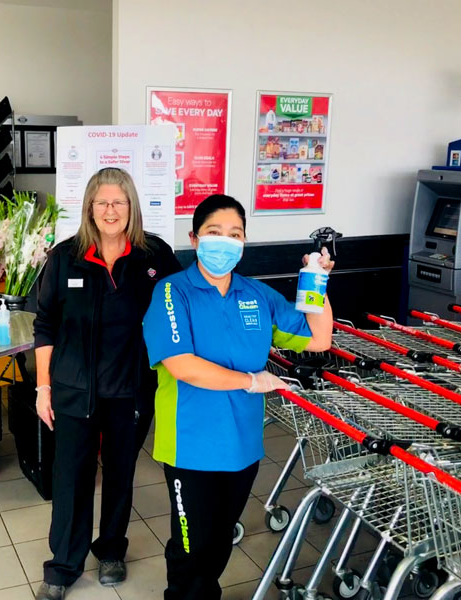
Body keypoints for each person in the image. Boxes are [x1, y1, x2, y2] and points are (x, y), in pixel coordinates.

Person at [142, 194, 334, 600]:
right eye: (214, 232)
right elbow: (182, 365)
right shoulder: (172, 292)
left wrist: (316, 280)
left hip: (242, 447)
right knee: (190, 549)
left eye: (235, 234)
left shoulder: (257, 295)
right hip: (189, 446)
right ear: (194, 239)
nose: (224, 241)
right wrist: (250, 381)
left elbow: (318, 337)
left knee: (216, 545)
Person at [33, 168, 181, 600]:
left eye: (119, 202)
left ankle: (112, 549)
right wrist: (43, 389)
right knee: (71, 478)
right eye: (103, 203)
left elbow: (182, 304)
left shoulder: (154, 257)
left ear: (132, 206)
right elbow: (46, 325)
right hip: (73, 391)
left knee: (120, 472)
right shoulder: (65, 258)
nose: (111, 211)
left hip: (132, 390)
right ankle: (63, 565)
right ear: (90, 209)